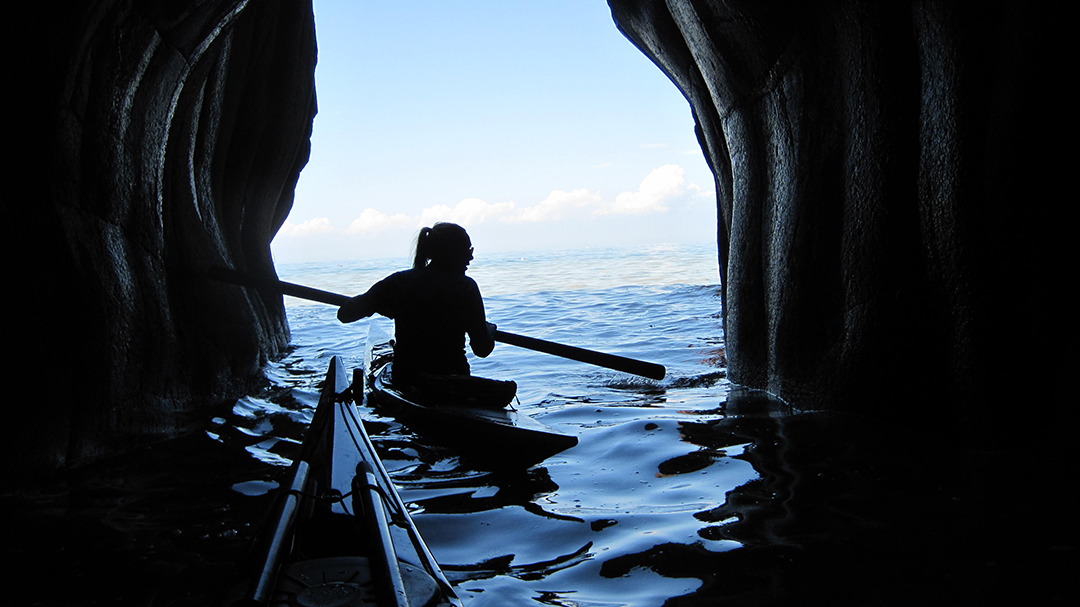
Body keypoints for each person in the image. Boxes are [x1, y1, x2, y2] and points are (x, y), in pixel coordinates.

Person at [338, 222, 515, 407]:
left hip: (406, 380)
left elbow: (345, 314)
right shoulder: (466, 287)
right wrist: (488, 331)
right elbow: (482, 349)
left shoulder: (399, 282)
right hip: (454, 382)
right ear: (453, 253)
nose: (471, 257)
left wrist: (377, 303)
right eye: (468, 250)